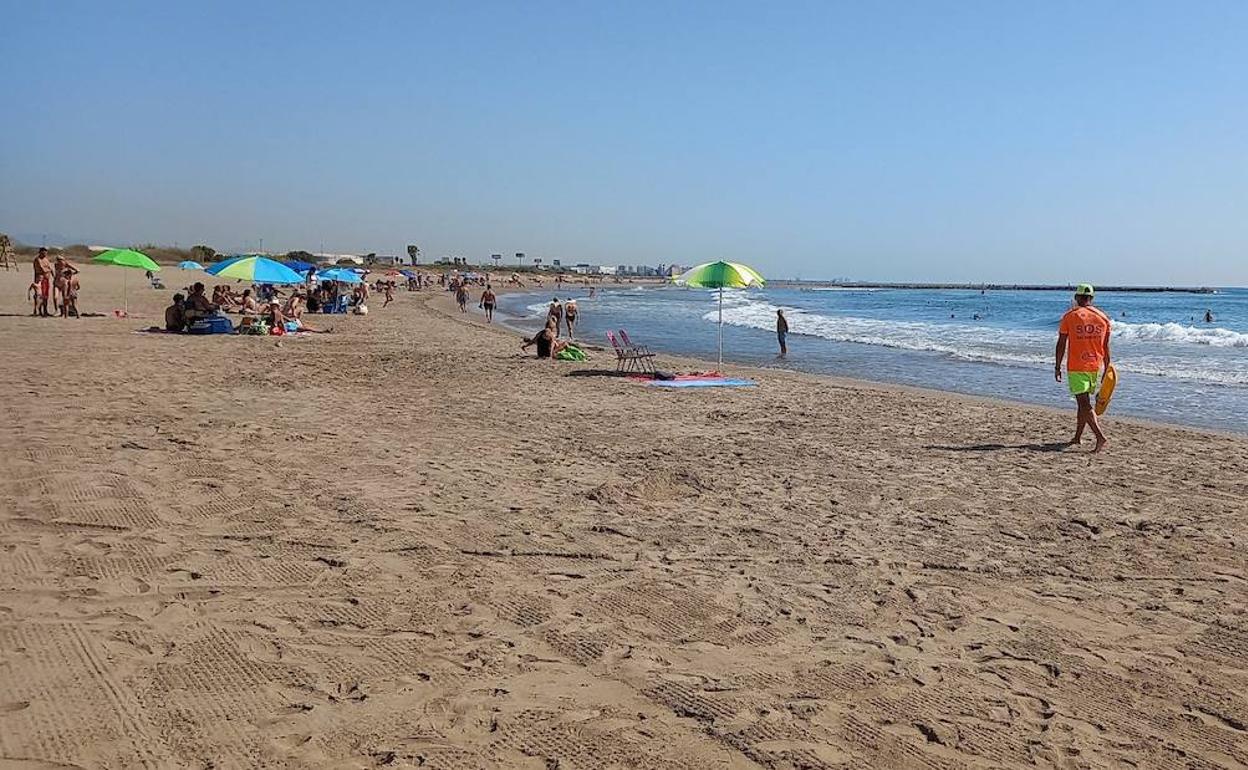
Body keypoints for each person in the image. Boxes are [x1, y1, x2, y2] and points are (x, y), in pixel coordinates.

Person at [1056, 283, 1111, 452]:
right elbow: (1106, 346)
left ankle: (1100, 437)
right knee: (1082, 403)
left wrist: (1057, 366)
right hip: (1095, 365)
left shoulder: (1070, 316)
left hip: (1077, 366)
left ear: (1077, 297)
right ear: (1092, 298)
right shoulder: (1103, 318)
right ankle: (1077, 437)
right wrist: (1107, 367)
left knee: (1085, 404)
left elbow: (1061, 343)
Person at [32, 247, 53, 317]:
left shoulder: (46, 259)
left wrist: (52, 274)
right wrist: (49, 270)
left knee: (46, 296)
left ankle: (45, 310)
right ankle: (38, 310)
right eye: (43, 252)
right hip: (40, 279)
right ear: (40, 252)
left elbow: (50, 268)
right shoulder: (37, 259)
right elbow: (42, 269)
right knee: (39, 295)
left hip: (46, 279)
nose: (45, 254)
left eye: (46, 252)